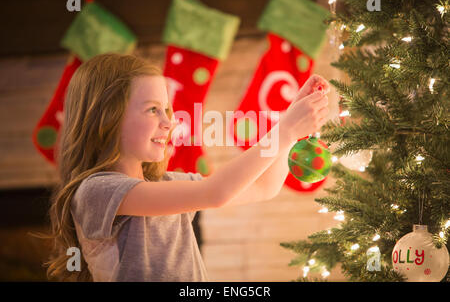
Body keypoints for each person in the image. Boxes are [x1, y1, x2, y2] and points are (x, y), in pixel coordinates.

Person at [41, 53, 329, 282]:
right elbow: (217, 192)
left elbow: (265, 187)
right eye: (152, 110)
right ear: (107, 118)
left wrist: (289, 124)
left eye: (166, 110)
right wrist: (286, 131)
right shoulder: (97, 191)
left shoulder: (168, 183)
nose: (169, 122)